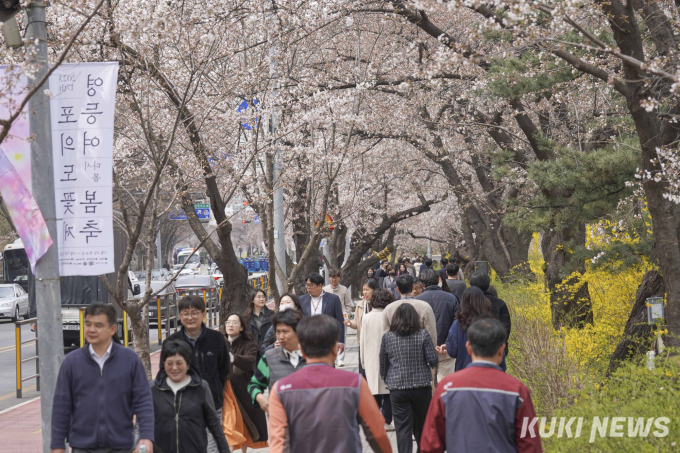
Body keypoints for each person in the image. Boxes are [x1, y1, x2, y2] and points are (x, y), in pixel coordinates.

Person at [269, 315, 392, 453]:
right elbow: (377, 433)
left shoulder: (280, 389)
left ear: (302, 350)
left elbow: (279, 445)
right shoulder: (355, 384)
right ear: (336, 349)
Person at [420, 319, 542, 453]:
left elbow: (430, 443)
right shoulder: (517, 391)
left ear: (469, 348)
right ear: (502, 349)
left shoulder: (446, 388)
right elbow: (530, 444)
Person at [51, 303, 154, 453]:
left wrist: (146, 436)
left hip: (121, 445)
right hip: (82, 446)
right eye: (88, 324)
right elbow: (61, 406)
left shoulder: (130, 360)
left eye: (98, 325)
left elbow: (143, 401)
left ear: (112, 329)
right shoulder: (72, 362)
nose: (92, 329)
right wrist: (57, 445)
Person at [167, 295, 230, 453]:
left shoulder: (217, 339)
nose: (190, 317)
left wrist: (214, 390)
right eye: (185, 313)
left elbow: (224, 370)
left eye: (194, 312)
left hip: (212, 404)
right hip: (182, 406)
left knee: (212, 446)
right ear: (179, 316)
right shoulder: (172, 342)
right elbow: (166, 373)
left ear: (203, 314)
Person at [151, 340, 230, 453]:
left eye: (179, 363)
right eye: (169, 363)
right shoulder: (153, 389)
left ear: (188, 364)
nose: (174, 368)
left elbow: (214, 424)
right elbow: (143, 422)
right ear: (164, 364)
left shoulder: (201, 387)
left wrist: (225, 450)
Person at [380, 304, 438, 453]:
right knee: (422, 426)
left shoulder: (387, 337)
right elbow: (433, 360)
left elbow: (383, 364)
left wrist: (387, 379)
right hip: (421, 387)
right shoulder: (423, 335)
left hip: (397, 388)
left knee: (402, 429)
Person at [222, 313, 268, 451]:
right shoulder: (219, 342)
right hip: (224, 390)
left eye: (235, 322)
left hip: (242, 389)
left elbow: (249, 362)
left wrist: (232, 358)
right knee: (229, 422)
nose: (230, 325)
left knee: (245, 425)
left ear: (241, 327)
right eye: (228, 322)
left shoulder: (249, 344)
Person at [248, 310, 306, 413]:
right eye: (278, 332)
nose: (281, 337)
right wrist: (259, 396)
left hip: (310, 420)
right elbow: (254, 384)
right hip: (280, 422)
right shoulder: (269, 357)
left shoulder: (313, 356)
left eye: (285, 331)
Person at [415, 269, 459, 382]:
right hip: (445, 350)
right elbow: (457, 323)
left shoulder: (416, 301)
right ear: (439, 280)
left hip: (423, 351)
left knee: (428, 387)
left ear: (421, 283)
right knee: (446, 386)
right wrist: (448, 343)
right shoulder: (451, 298)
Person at [361, 289, 395, 431]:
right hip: (388, 357)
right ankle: (387, 420)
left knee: (374, 389)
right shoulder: (390, 316)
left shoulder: (367, 317)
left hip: (371, 356)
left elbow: (362, 341)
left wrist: (363, 360)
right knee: (388, 390)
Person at [444, 287, 493, 371]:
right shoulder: (491, 323)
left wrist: (447, 346)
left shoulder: (458, 324)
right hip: (487, 372)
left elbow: (452, 351)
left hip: (463, 371)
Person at [469, 272, 511, 370]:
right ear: (488, 284)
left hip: (474, 351)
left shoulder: (469, 303)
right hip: (497, 350)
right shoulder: (499, 303)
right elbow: (506, 327)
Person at [383, 274, 437, 348]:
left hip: (397, 354)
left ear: (398, 289)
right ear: (413, 287)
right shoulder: (425, 307)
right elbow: (432, 334)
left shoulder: (389, 309)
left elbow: (385, 336)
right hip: (419, 353)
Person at [299, 273, 345, 357]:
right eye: (307, 285)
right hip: (308, 339)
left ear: (320, 285)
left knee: (328, 366)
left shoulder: (333, 299)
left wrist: (340, 341)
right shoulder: (302, 300)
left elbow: (339, 320)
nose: (308, 287)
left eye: (311, 285)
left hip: (327, 339)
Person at [344, 277, 380, 376]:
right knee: (363, 370)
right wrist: (350, 324)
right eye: (363, 290)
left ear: (374, 290)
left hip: (377, 341)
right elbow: (356, 323)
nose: (365, 292)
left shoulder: (380, 304)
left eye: (367, 290)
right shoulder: (360, 305)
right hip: (363, 342)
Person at [324, 268, 352, 367]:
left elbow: (348, 304)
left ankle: (340, 359)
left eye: (335, 277)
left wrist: (347, 314)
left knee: (342, 336)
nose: (333, 280)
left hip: (342, 316)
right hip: (329, 317)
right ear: (329, 278)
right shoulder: (325, 290)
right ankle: (332, 356)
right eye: (331, 277)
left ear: (339, 278)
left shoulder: (344, 289)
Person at [245, 289, 275, 354]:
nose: (262, 299)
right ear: (252, 300)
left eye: (263, 297)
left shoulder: (271, 314)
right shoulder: (247, 317)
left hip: (268, 349)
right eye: (259, 297)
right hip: (252, 351)